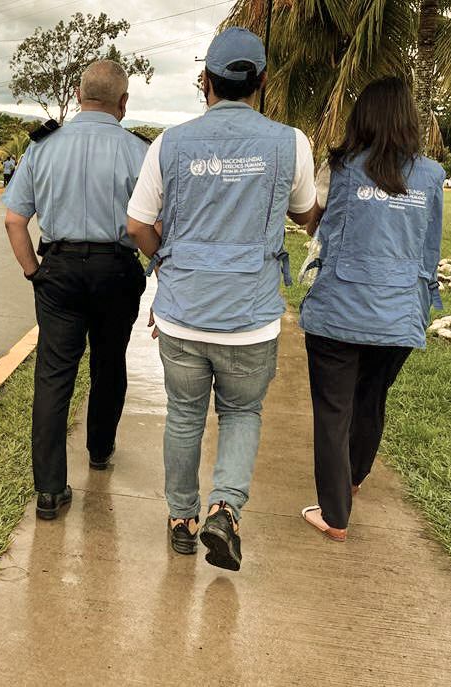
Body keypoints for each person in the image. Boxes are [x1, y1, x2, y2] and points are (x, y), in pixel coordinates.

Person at [126, 27, 317, 570]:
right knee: (241, 414)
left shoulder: (170, 143)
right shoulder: (291, 143)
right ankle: (224, 510)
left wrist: (167, 260)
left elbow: (137, 224)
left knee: (184, 417)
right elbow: (306, 213)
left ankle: (181, 519)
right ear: (260, 82)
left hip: (184, 316)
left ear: (205, 81)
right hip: (251, 320)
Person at [298, 78, 445, 542]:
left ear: (361, 117)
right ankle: (354, 479)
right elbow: (429, 248)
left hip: (338, 310)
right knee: (371, 400)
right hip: (401, 312)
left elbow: (313, 220)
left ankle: (335, 515)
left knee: (333, 409)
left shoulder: (339, 167)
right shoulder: (433, 176)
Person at [4, 60, 150, 520]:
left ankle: (48, 492)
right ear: (123, 103)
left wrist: (34, 273)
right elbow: (153, 224)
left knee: (53, 374)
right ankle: (100, 450)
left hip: (59, 270)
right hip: (116, 270)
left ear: (78, 92)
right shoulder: (139, 152)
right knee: (109, 364)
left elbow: (14, 219)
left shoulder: (43, 148)